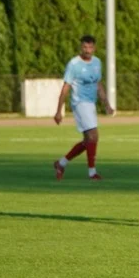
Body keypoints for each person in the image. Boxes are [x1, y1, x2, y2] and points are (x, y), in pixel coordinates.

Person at [54, 35, 114, 181]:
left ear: (94, 48)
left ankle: (61, 163)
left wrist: (106, 104)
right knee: (94, 135)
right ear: (81, 47)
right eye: (85, 47)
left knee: (89, 139)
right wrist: (58, 110)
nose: (87, 50)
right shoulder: (74, 64)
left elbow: (98, 85)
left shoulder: (97, 62)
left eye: (90, 47)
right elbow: (66, 87)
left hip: (91, 103)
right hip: (79, 103)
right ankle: (92, 173)